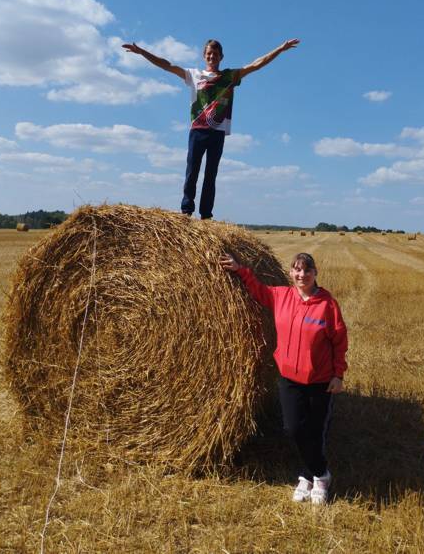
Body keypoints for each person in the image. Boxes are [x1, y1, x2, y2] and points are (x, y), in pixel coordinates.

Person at [219, 251, 348, 505]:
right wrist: (239, 269)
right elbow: (256, 288)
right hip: (289, 377)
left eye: (307, 271)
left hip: (320, 380)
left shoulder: (327, 304)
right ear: (291, 273)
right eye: (297, 270)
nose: (302, 275)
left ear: (315, 273)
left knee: (314, 430)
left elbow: (339, 341)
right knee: (293, 428)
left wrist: (338, 374)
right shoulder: (281, 296)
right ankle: (322, 474)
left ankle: (308, 478)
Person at [122, 38, 300, 219]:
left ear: (221, 57)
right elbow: (167, 65)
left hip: (217, 131)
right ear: (204, 56)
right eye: (208, 54)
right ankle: (186, 211)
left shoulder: (230, 76)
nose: (211, 56)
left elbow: (256, 65)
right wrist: (142, 52)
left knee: (210, 174)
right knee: (192, 171)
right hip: (197, 130)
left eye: (215, 54)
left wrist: (280, 49)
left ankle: (206, 214)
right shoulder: (194, 75)